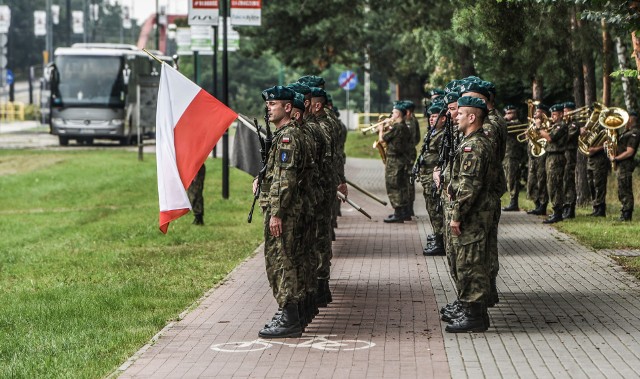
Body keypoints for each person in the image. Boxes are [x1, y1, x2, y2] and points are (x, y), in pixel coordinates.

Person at [254, 85, 306, 338]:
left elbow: (286, 179)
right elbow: (276, 173)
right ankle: (288, 312)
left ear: (287, 107)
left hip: (284, 212)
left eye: (273, 104)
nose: (269, 109)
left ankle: (289, 317)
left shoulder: (288, 137)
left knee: (281, 262)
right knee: (281, 260)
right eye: (267, 105)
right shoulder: (283, 134)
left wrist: (276, 212)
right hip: (284, 209)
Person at [443, 96, 493, 333]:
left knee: (470, 263)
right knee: (468, 261)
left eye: (461, 113)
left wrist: (456, 215)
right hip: (475, 213)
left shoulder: (474, 146)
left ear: (472, 117)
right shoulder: (472, 142)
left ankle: (474, 316)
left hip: (473, 215)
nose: (456, 117)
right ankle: (474, 313)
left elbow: (469, 187)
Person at [420, 98, 449, 256]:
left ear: (443, 118)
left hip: (434, 178)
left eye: (434, 116)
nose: (431, 119)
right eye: (430, 116)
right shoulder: (432, 133)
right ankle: (438, 236)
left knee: (437, 210)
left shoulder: (443, 135)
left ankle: (440, 241)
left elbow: (442, 159)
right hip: (427, 177)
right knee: (432, 209)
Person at [381, 101, 413, 223]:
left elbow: (383, 139)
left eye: (393, 113)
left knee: (393, 186)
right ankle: (404, 212)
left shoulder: (398, 127)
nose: (391, 115)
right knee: (401, 186)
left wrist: (380, 130)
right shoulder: (404, 127)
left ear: (398, 114)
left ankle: (398, 213)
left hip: (395, 161)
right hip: (401, 160)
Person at [539, 103, 568, 224]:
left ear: (561, 114)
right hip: (551, 156)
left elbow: (550, 138)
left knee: (555, 185)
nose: (552, 117)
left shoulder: (561, 126)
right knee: (550, 184)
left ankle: (557, 212)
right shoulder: (555, 125)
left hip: (556, 157)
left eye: (555, 114)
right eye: (552, 114)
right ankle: (555, 211)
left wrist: (539, 128)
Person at [610, 111, 639, 221]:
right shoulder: (626, 132)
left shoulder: (634, 132)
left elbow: (630, 151)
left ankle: (627, 214)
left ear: (630, 120)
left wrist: (616, 158)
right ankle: (624, 211)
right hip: (621, 165)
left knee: (625, 188)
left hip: (626, 165)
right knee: (621, 188)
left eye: (626, 119)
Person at [582, 112, 610, 217]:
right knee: (591, 184)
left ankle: (601, 209)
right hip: (590, 160)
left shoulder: (606, 127)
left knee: (599, 185)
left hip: (600, 160)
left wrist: (596, 149)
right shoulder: (591, 129)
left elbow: (608, 143)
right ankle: (595, 207)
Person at [527, 103, 550, 216]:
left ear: (544, 113)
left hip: (542, 155)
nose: (535, 113)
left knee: (541, 180)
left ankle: (542, 205)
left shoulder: (547, 123)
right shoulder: (534, 123)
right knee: (532, 181)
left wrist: (538, 126)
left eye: (538, 111)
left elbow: (547, 137)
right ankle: (536, 203)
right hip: (533, 155)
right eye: (535, 111)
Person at [502, 105, 526, 211]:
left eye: (510, 113)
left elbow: (503, 126)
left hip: (513, 155)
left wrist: (504, 119)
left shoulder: (517, 124)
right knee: (508, 178)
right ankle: (512, 201)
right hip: (506, 155)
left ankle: (514, 202)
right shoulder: (507, 123)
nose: (508, 115)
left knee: (512, 179)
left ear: (515, 113)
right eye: (507, 112)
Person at [562, 101, 580, 219]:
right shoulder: (565, 124)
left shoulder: (574, 125)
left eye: (566, 111)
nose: (564, 113)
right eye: (563, 111)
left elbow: (566, 138)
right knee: (564, 180)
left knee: (568, 181)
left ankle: (570, 207)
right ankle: (565, 205)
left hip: (570, 154)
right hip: (563, 154)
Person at [404, 100, 422, 217]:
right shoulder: (412, 120)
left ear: (408, 111)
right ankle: (407, 207)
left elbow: (410, 139)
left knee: (408, 182)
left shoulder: (410, 122)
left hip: (408, 155)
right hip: (409, 153)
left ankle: (408, 208)